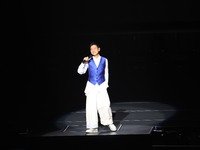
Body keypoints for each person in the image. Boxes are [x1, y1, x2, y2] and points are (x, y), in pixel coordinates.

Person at [77, 42, 117, 133]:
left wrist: (105, 84)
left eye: (95, 48)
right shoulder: (88, 60)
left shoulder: (104, 60)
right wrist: (83, 62)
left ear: (99, 49)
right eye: (91, 49)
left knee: (105, 105)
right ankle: (93, 127)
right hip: (91, 86)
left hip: (101, 85)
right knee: (91, 107)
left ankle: (109, 122)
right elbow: (80, 72)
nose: (93, 50)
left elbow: (106, 73)